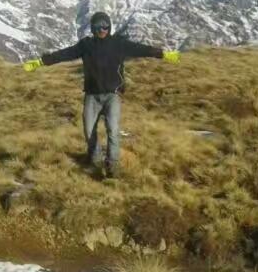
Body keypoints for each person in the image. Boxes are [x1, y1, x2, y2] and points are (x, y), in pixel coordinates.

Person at [23, 11, 180, 178]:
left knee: (113, 129)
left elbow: (141, 49)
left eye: (105, 26)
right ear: (92, 28)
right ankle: (94, 159)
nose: (102, 30)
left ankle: (113, 166)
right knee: (89, 130)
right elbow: (65, 54)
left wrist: (163, 54)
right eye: (98, 27)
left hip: (113, 95)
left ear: (109, 27)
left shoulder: (119, 43)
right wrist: (41, 62)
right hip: (92, 95)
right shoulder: (86, 45)